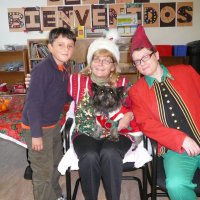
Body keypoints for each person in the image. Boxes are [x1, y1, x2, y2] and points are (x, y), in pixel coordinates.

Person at [25, 30, 137, 200]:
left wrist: (129, 115)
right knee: (90, 156)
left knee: (110, 152)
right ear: (90, 62)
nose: (100, 64)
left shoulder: (123, 83)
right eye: (96, 59)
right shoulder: (76, 80)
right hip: (85, 132)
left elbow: (138, 107)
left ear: (114, 65)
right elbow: (53, 86)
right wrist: (32, 79)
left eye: (107, 60)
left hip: (117, 132)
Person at [128, 25, 200, 200]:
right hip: (176, 149)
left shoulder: (186, 72)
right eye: (138, 61)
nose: (143, 63)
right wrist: (180, 139)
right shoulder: (136, 91)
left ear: (157, 55)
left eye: (145, 56)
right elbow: (147, 125)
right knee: (175, 184)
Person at [22, 27, 76, 200]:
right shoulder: (42, 71)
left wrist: (75, 96)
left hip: (53, 126)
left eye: (69, 45)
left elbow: (61, 93)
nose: (66, 49)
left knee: (55, 164)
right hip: (37, 129)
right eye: (61, 45)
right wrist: (36, 135)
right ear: (50, 47)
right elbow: (33, 105)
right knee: (42, 171)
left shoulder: (64, 67)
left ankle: (55, 195)